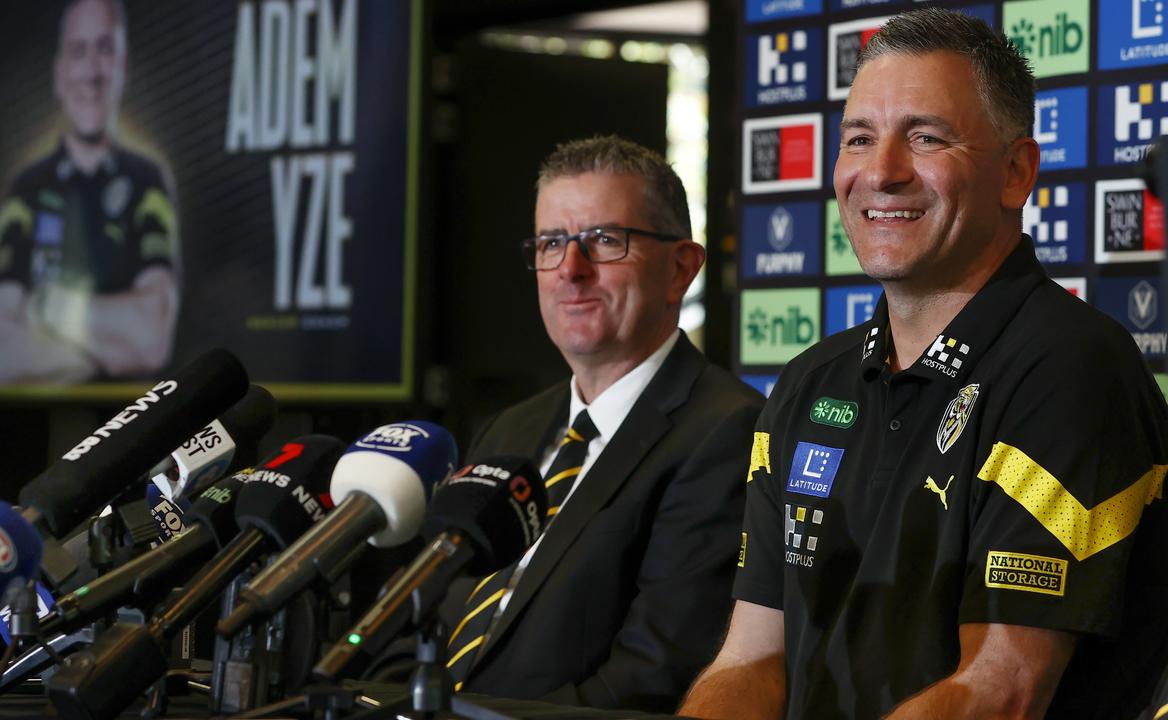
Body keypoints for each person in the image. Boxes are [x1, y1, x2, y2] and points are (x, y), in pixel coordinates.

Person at [680, 9, 1168, 719]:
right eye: (858, 139)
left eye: (926, 138)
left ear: (1016, 172)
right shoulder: (809, 381)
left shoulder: (1072, 368)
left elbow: (1002, 692)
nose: (882, 172)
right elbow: (752, 659)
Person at [437, 136, 764, 712]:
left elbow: (652, 675)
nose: (571, 269)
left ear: (680, 269)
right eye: (551, 243)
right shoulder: (509, 430)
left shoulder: (727, 432)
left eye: (604, 241)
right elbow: (428, 619)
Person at [0, 0, 178, 384]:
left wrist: (46, 307)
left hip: (145, 424)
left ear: (122, 67)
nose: (91, 71)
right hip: (32, 428)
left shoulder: (148, 180)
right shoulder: (25, 190)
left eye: (105, 49)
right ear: (59, 74)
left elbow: (152, 340)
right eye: (78, 51)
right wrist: (113, 348)